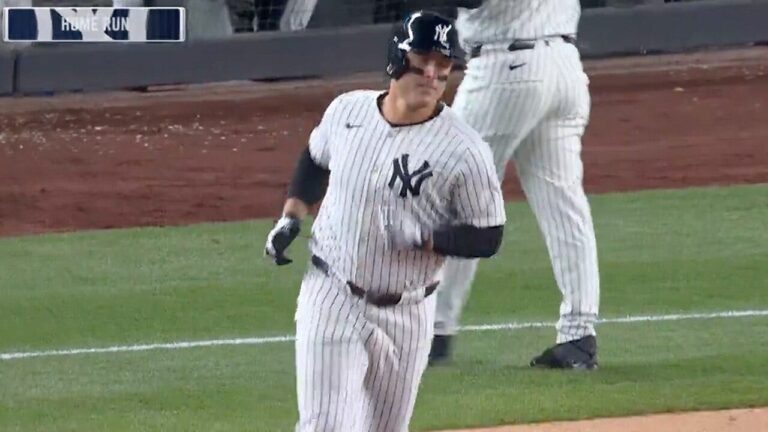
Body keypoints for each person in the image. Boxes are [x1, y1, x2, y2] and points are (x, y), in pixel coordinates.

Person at [264, 10, 506, 430]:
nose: (433, 74)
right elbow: (315, 158)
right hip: (332, 293)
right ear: (397, 59)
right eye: (424, 59)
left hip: (410, 313)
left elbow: (489, 235)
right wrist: (291, 217)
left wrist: (431, 239)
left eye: (444, 65)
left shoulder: (465, 150)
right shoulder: (347, 111)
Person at [429, 0, 601, 370]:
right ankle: (579, 335)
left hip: (506, 70)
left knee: (454, 192)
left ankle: (434, 331)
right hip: (565, 66)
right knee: (564, 203)